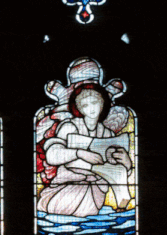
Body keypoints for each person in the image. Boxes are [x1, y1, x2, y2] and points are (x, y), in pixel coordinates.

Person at [37, 83, 132, 217]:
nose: (91, 108)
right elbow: (52, 155)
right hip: (67, 188)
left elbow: (116, 173)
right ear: (79, 108)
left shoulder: (108, 133)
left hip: (95, 193)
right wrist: (79, 153)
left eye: (94, 102)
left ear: (102, 103)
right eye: (85, 105)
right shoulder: (70, 127)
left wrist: (127, 164)